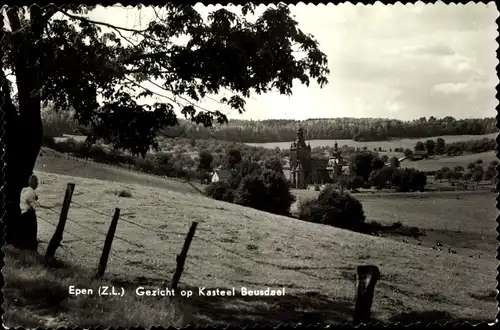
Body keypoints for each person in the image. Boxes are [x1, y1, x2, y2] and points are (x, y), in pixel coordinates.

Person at [18, 174, 40, 250]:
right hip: (29, 215)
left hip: (22, 214)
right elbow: (32, 205)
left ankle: (23, 250)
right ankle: (31, 250)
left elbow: (27, 198)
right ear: (35, 184)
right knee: (32, 232)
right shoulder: (32, 193)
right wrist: (33, 206)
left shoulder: (24, 190)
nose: (37, 184)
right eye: (37, 182)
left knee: (23, 233)